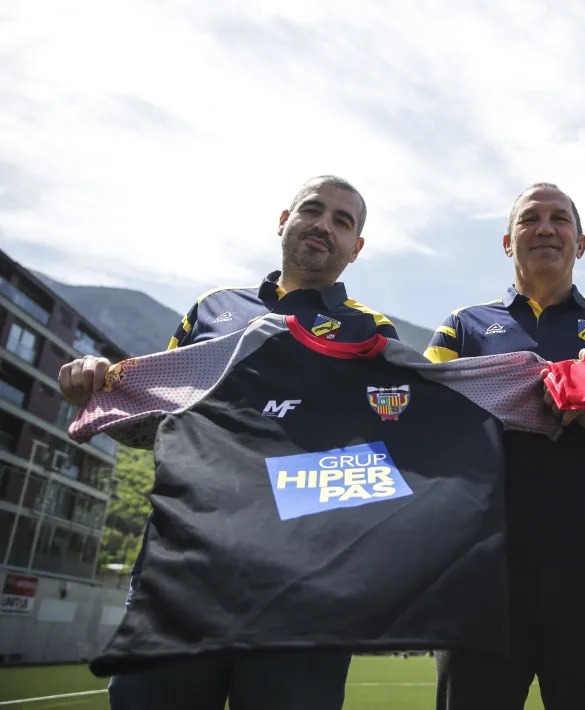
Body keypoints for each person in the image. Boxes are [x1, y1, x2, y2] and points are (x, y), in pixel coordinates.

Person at [58, 175, 399, 710]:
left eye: (342, 221)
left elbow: (386, 460)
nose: (324, 226)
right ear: (284, 220)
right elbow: (156, 420)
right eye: (313, 210)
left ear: (356, 249)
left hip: (306, 588)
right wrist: (102, 385)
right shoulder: (213, 309)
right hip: (181, 573)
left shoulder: (373, 335)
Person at [427, 183, 585, 710]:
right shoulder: (463, 327)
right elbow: (423, 423)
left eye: (559, 219)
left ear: (581, 241)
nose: (545, 228)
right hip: (481, 570)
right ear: (508, 242)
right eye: (530, 219)